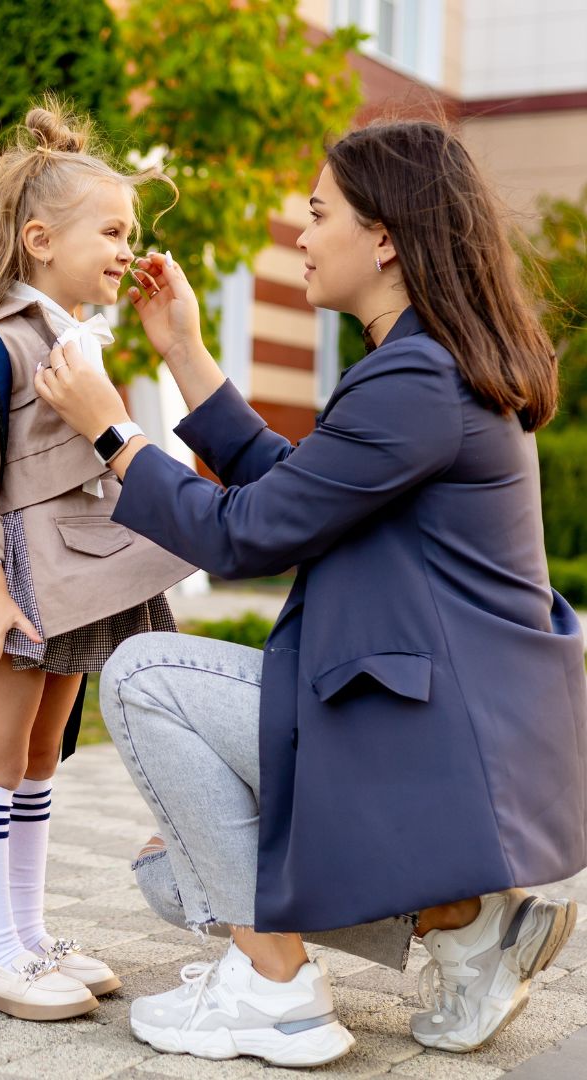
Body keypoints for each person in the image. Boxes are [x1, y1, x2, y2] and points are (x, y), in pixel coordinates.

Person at [33, 119, 586, 1067]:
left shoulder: (417, 377)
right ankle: (466, 928)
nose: (301, 233)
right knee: (177, 877)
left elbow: (246, 534)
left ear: (385, 237)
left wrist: (114, 433)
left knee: (141, 675)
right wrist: (185, 355)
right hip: (441, 730)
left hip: (430, 739)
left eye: (320, 212)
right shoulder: (427, 365)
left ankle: (275, 991)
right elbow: (298, 491)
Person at [0, 100, 192, 1022]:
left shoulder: (72, 342)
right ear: (38, 239)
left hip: (77, 579)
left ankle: (27, 937)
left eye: (130, 232)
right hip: (14, 584)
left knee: (40, 759)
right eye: (111, 229)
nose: (125, 246)